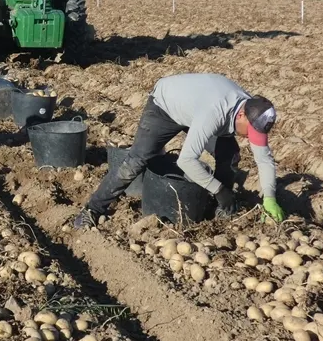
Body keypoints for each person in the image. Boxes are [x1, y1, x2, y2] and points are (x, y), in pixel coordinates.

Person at [73, 73, 286, 229]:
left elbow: (264, 160)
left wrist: (270, 198)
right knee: (136, 161)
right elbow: (187, 161)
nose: (250, 137)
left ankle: (221, 209)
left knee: (229, 155)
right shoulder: (216, 112)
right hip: (165, 105)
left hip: (196, 108)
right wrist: (219, 189)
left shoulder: (255, 114)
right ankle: (93, 209)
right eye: (249, 131)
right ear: (241, 115)